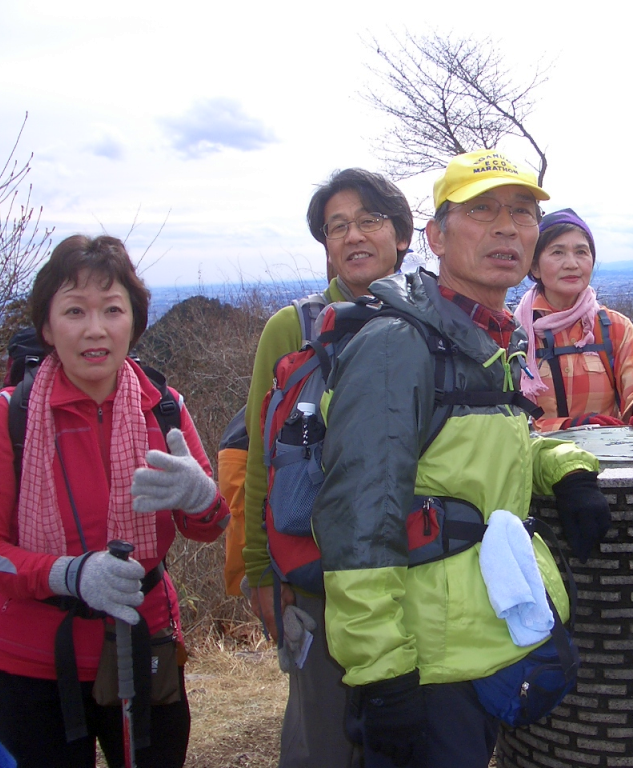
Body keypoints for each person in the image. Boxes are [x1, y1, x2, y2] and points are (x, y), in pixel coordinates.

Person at [311, 149, 610, 768]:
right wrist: (380, 671)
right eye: (483, 211)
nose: (508, 227)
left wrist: (565, 468)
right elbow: (358, 516)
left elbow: (487, 440)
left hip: (475, 640)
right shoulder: (399, 343)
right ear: (436, 237)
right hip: (423, 660)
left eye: (523, 213)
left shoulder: (483, 336)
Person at [0, 235, 230, 767]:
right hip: (32, 662)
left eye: (112, 310)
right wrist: (70, 575)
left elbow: (210, 525)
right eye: (74, 311)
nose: (95, 329)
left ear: (134, 323)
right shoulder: (10, 417)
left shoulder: (163, 408)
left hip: (143, 644)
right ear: (48, 328)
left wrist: (201, 495)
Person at [242, 168, 414, 767]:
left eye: (370, 220)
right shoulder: (291, 328)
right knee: (323, 739)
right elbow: (262, 458)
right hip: (316, 575)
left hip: (414, 568)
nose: (354, 235)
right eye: (338, 226)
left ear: (401, 234)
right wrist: (260, 570)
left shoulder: (433, 320)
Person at [513, 208, 633, 432]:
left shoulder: (613, 328)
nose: (572, 263)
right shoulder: (514, 333)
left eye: (581, 252)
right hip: (532, 460)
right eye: (557, 253)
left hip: (604, 459)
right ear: (535, 266)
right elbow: (504, 416)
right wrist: (568, 427)